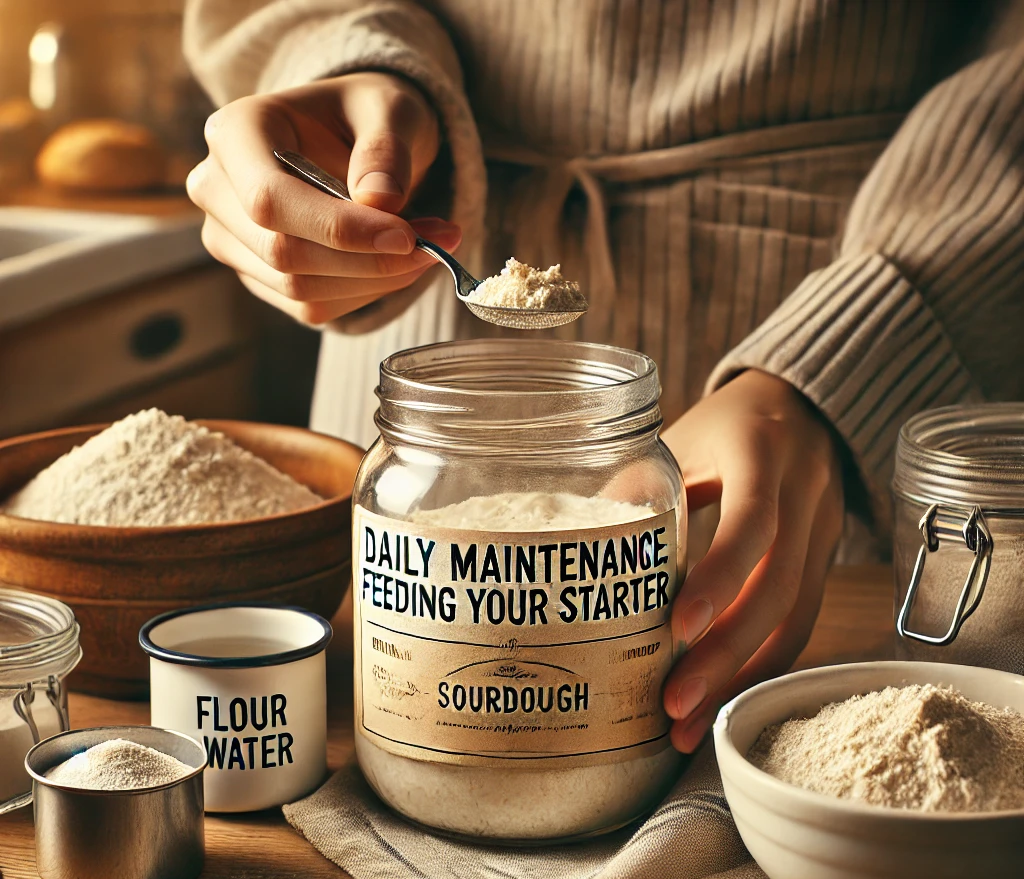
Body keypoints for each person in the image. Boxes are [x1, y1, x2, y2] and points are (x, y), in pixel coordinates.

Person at [182, 0, 1024, 753]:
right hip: (426, 375)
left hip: (819, 324)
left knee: (774, 740)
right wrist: (352, 62)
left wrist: (844, 352)